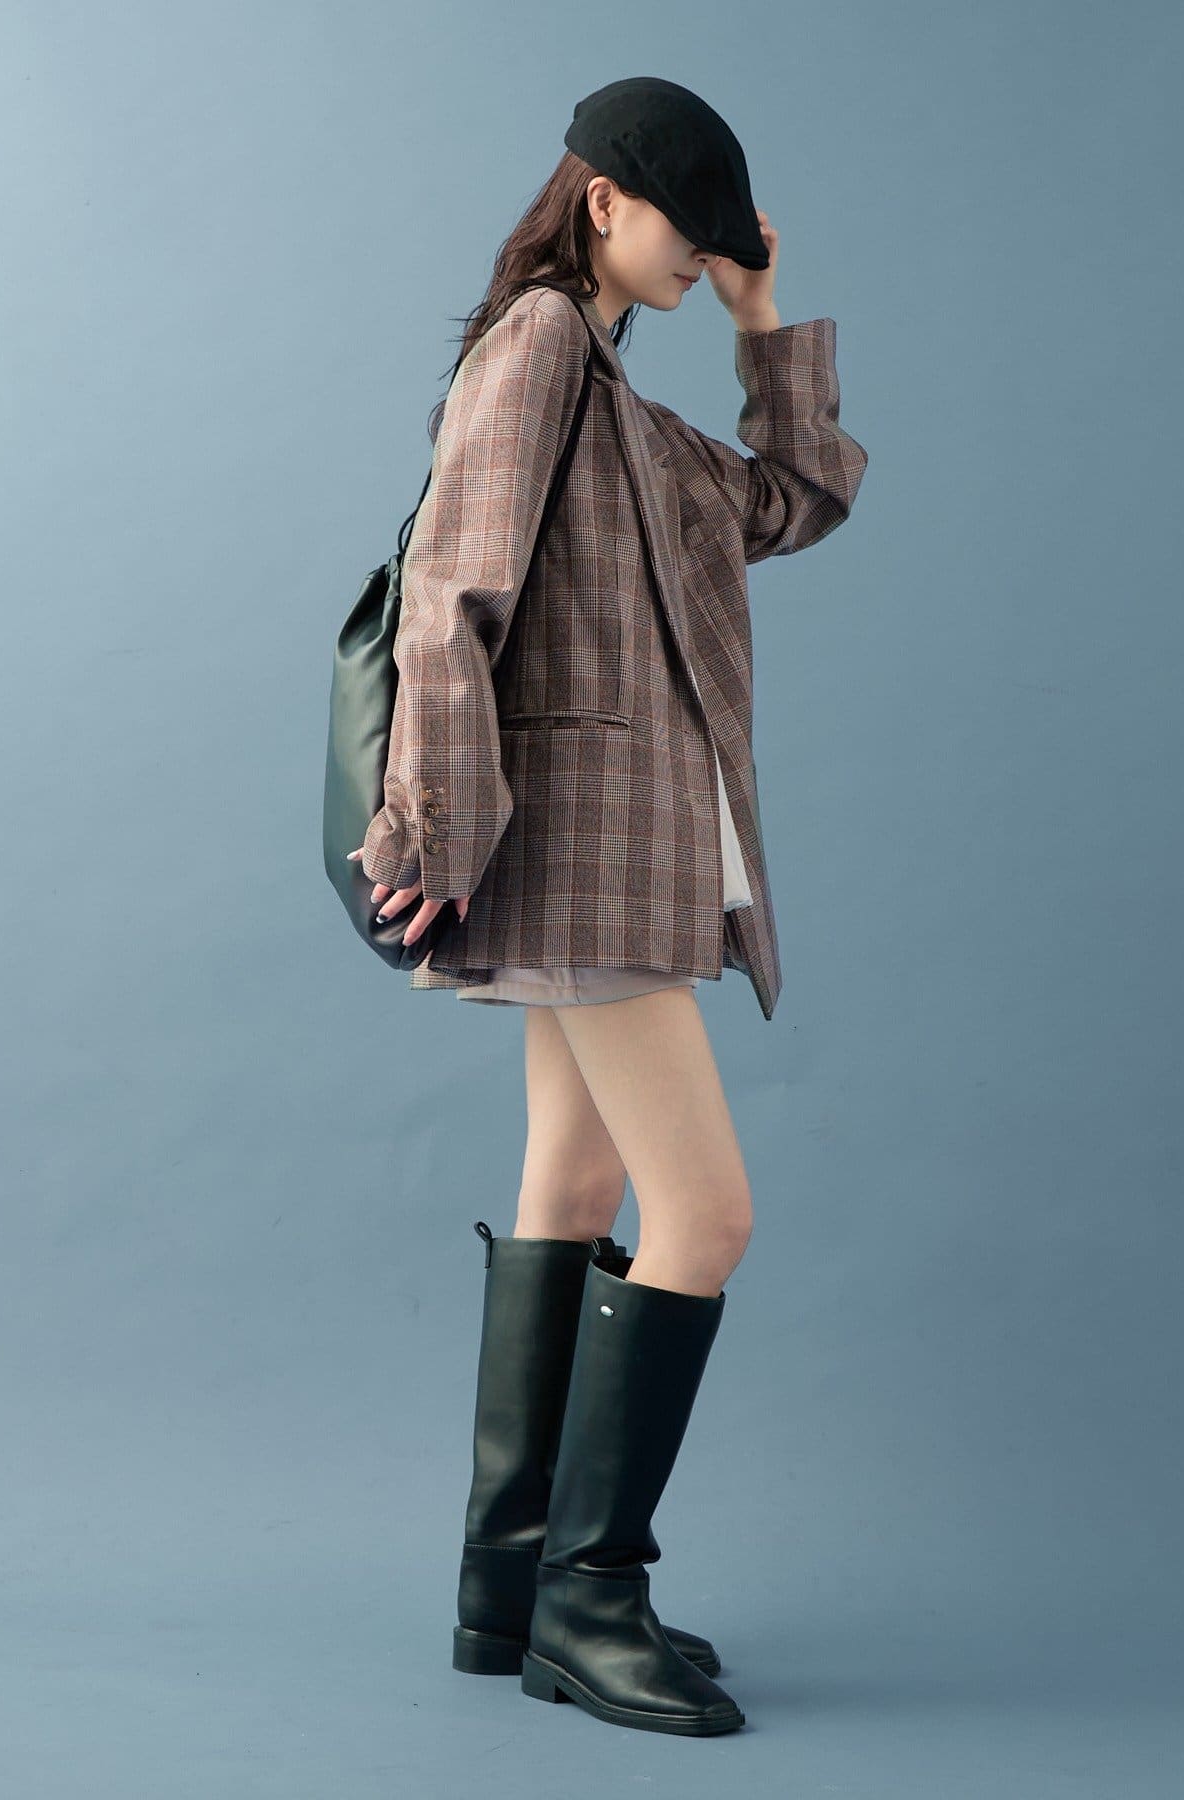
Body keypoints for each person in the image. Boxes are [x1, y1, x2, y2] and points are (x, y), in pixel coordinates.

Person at [346, 77, 869, 1735]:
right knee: (705, 1217)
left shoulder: (617, 404)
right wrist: (430, 828)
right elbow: (451, 590)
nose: (699, 255)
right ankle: (592, 1594)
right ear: (601, 204)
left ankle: (506, 1587)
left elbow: (793, 501)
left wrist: (764, 322)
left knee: (571, 1183)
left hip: (614, 857)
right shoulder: (538, 351)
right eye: (684, 230)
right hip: (571, 859)